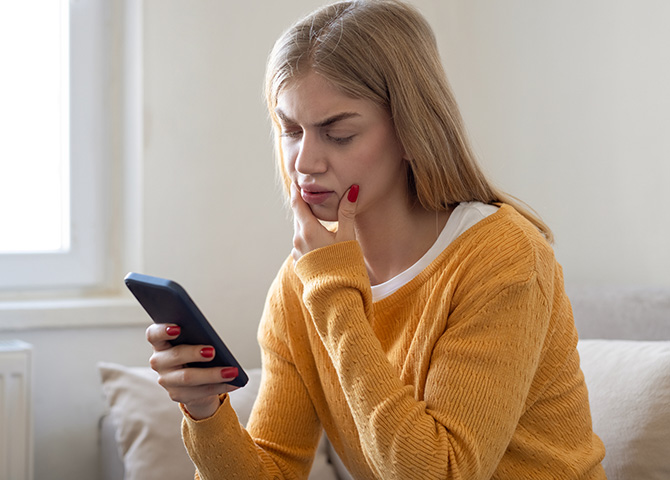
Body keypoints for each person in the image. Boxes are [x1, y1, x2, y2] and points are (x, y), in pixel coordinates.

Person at [146, 1, 607, 478]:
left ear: (412, 130)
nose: (304, 162)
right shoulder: (302, 282)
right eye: (290, 130)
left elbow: (441, 472)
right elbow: (275, 469)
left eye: (339, 134)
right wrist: (205, 412)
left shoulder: (503, 256)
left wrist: (334, 297)